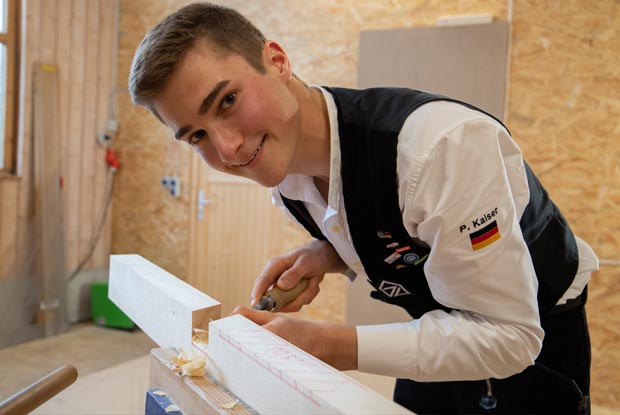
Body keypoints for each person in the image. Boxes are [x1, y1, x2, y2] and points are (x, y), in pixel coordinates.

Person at [128, 3, 598, 414]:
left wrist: (327, 345)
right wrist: (327, 252)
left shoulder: (438, 151)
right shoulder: (283, 175)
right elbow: (396, 227)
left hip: (534, 333)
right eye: (197, 136)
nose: (227, 148)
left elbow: (510, 337)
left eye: (228, 100)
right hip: (437, 321)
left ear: (278, 61)